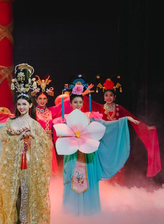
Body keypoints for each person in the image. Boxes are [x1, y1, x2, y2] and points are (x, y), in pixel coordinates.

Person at [56, 76, 130, 216]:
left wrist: (124, 120)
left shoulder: (90, 116)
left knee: (88, 181)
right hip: (73, 155)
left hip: (88, 155)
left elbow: (105, 126)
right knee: (72, 180)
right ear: (71, 104)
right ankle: (71, 213)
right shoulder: (65, 119)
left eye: (79, 102)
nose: (77, 104)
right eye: (75, 102)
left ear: (82, 103)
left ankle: (89, 212)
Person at [0, 65, 53, 224]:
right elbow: (3, 138)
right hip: (13, 165)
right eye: (19, 104)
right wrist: (17, 138)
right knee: (16, 192)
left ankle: (26, 222)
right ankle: (14, 220)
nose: (21, 107)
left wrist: (33, 138)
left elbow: (46, 144)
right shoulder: (10, 122)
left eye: (24, 104)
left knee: (27, 192)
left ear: (30, 105)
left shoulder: (34, 124)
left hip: (29, 164)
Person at [91, 76, 161, 179]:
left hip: (117, 141)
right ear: (103, 97)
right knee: (104, 162)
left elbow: (132, 118)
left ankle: (118, 188)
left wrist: (146, 128)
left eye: (111, 95)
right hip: (104, 141)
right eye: (106, 95)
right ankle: (106, 188)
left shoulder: (119, 108)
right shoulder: (99, 108)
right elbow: (85, 103)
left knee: (118, 164)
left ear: (114, 97)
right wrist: (81, 93)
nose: (108, 97)